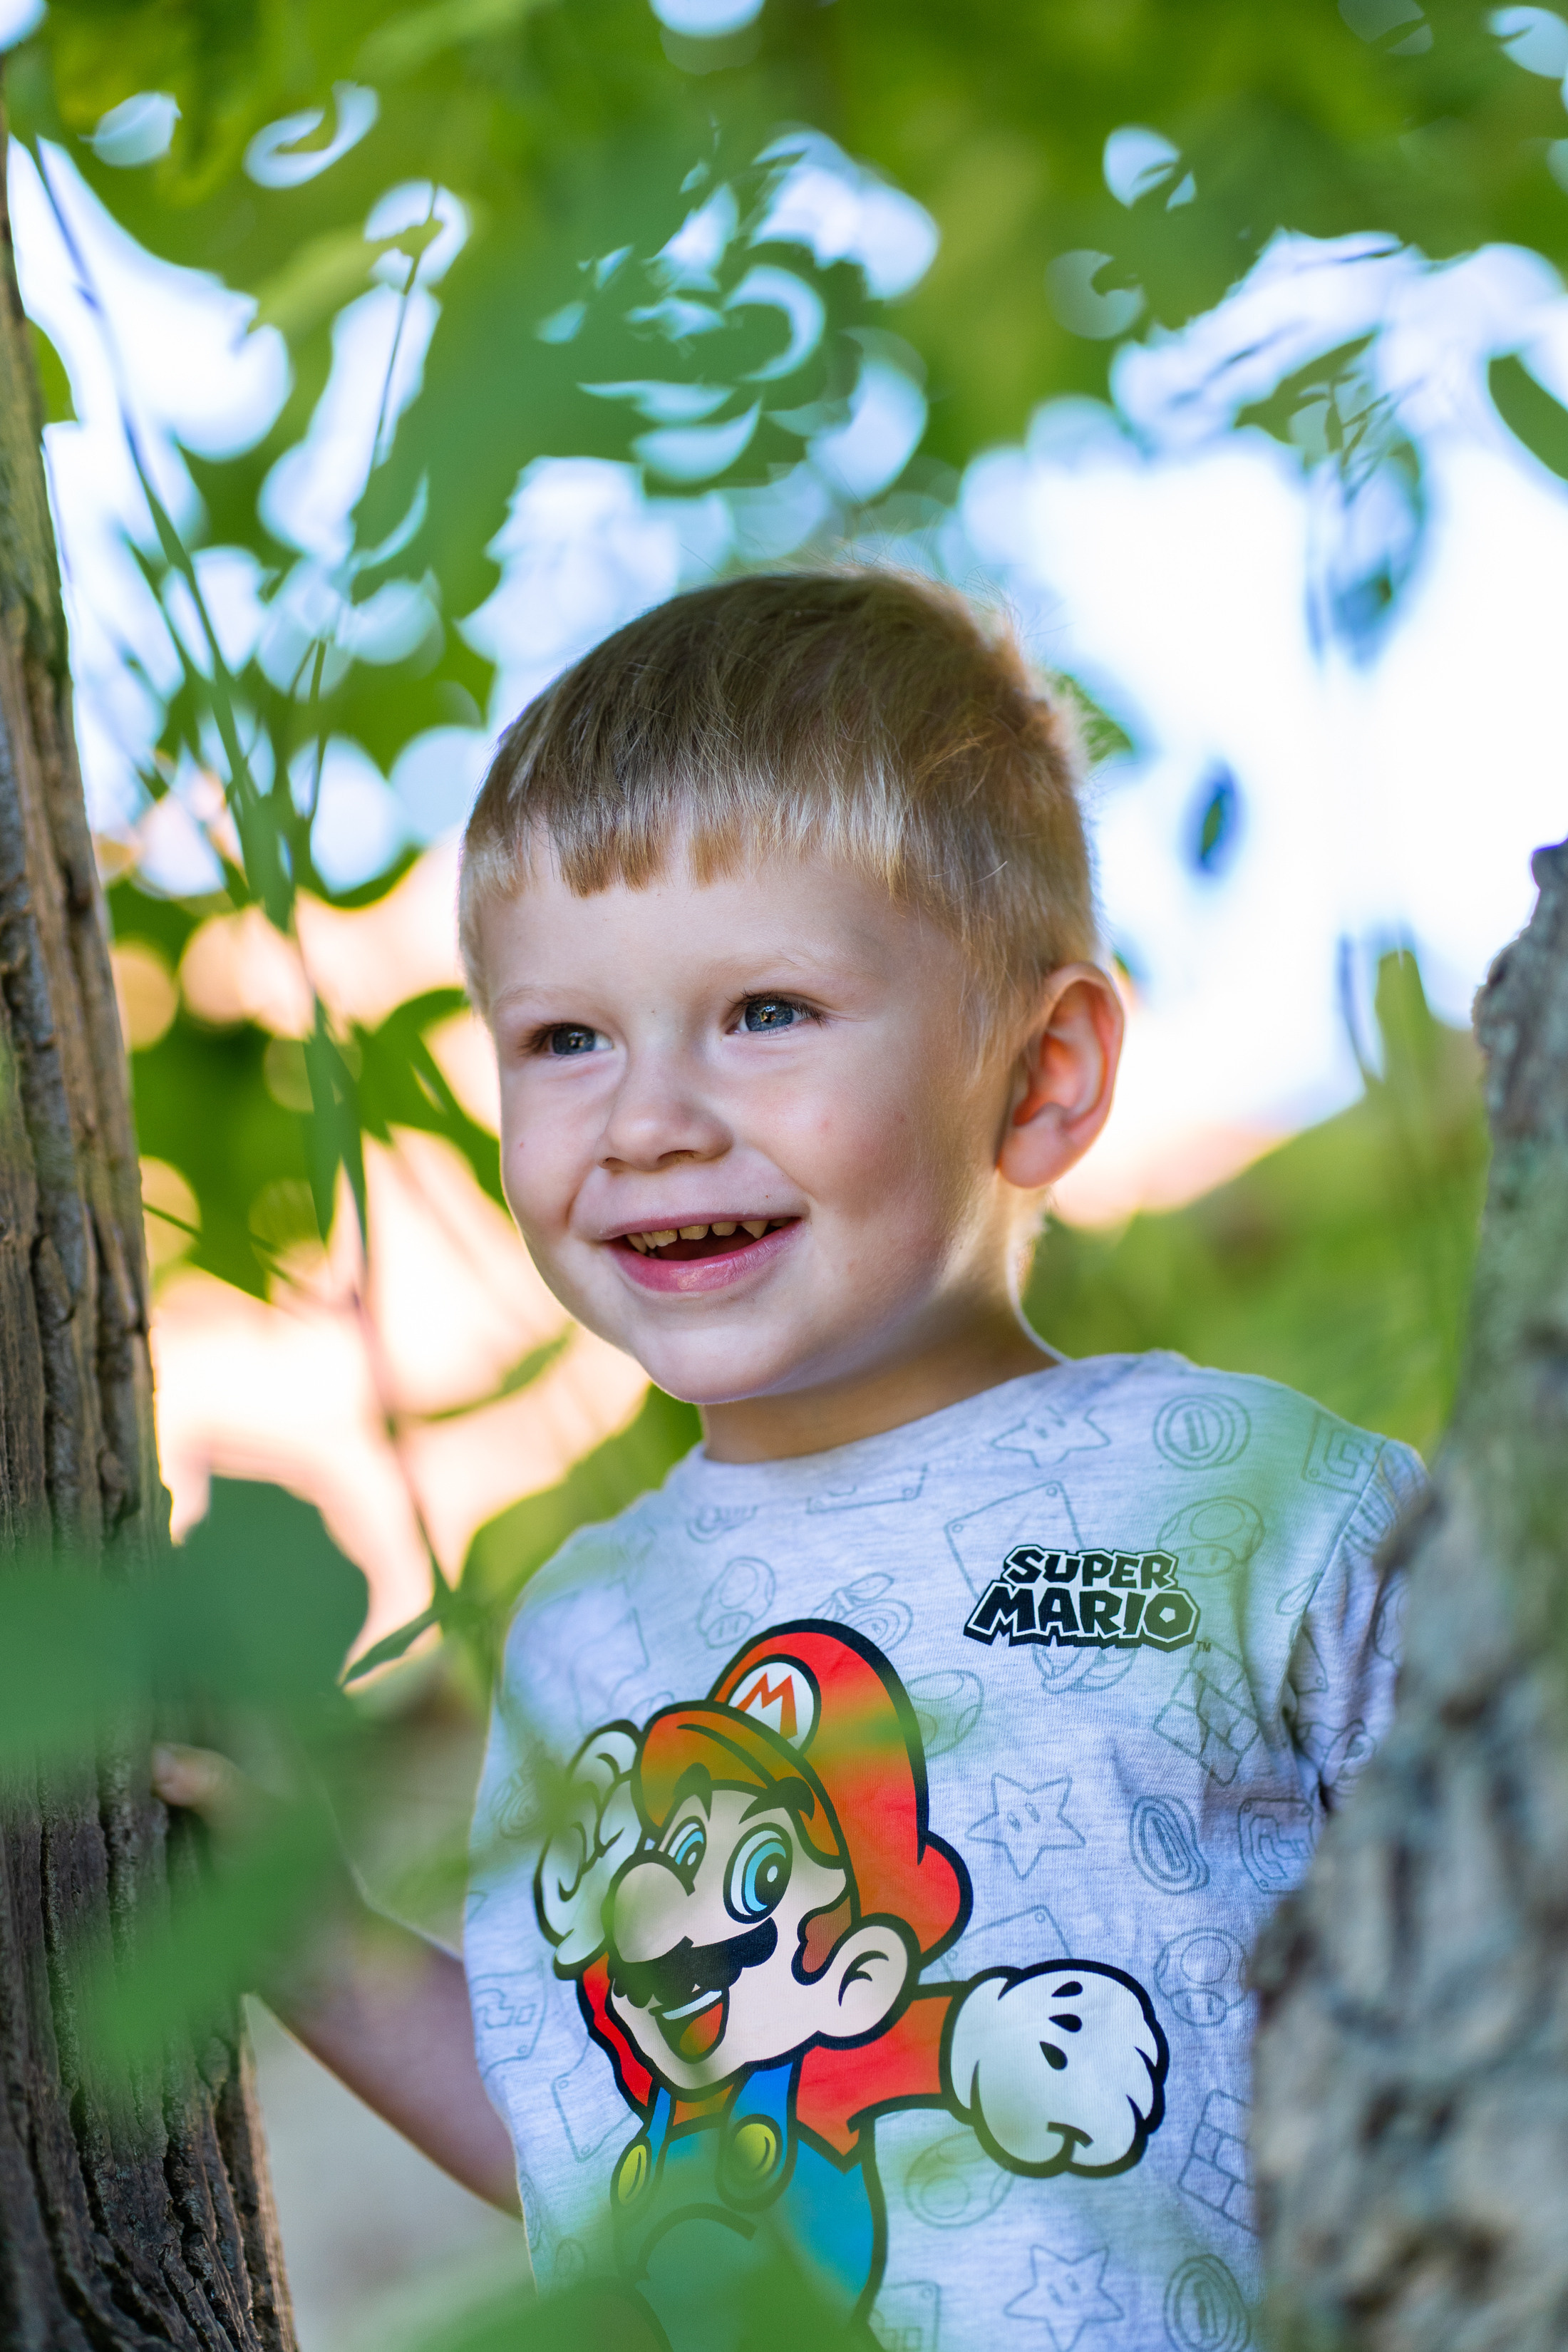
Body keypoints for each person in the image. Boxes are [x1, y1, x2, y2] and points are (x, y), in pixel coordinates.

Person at [156, 570, 1422, 2352]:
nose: (652, 1120)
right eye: (566, 1039)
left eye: (764, 1010)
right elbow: (584, 2127)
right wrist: (288, 1926)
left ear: (1040, 1076)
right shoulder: (589, 1631)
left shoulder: (1230, 1496)